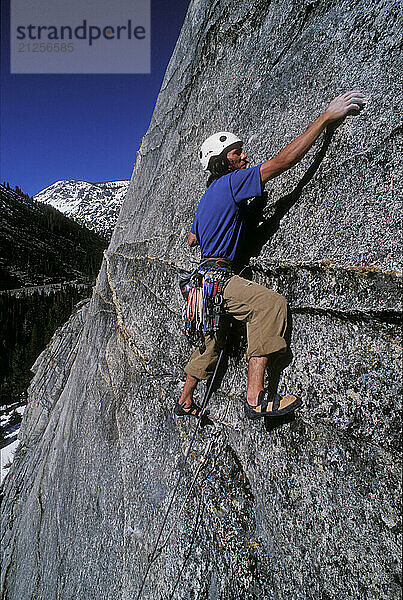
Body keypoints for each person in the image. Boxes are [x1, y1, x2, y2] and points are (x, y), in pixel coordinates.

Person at [176, 91, 365, 420]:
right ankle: (255, 397)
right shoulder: (232, 182)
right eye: (237, 153)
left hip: (202, 282)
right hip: (221, 278)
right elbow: (283, 162)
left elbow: (193, 236)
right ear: (223, 162)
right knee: (269, 305)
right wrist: (325, 118)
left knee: (213, 340)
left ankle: (186, 398)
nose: (244, 156)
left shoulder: (208, 195)